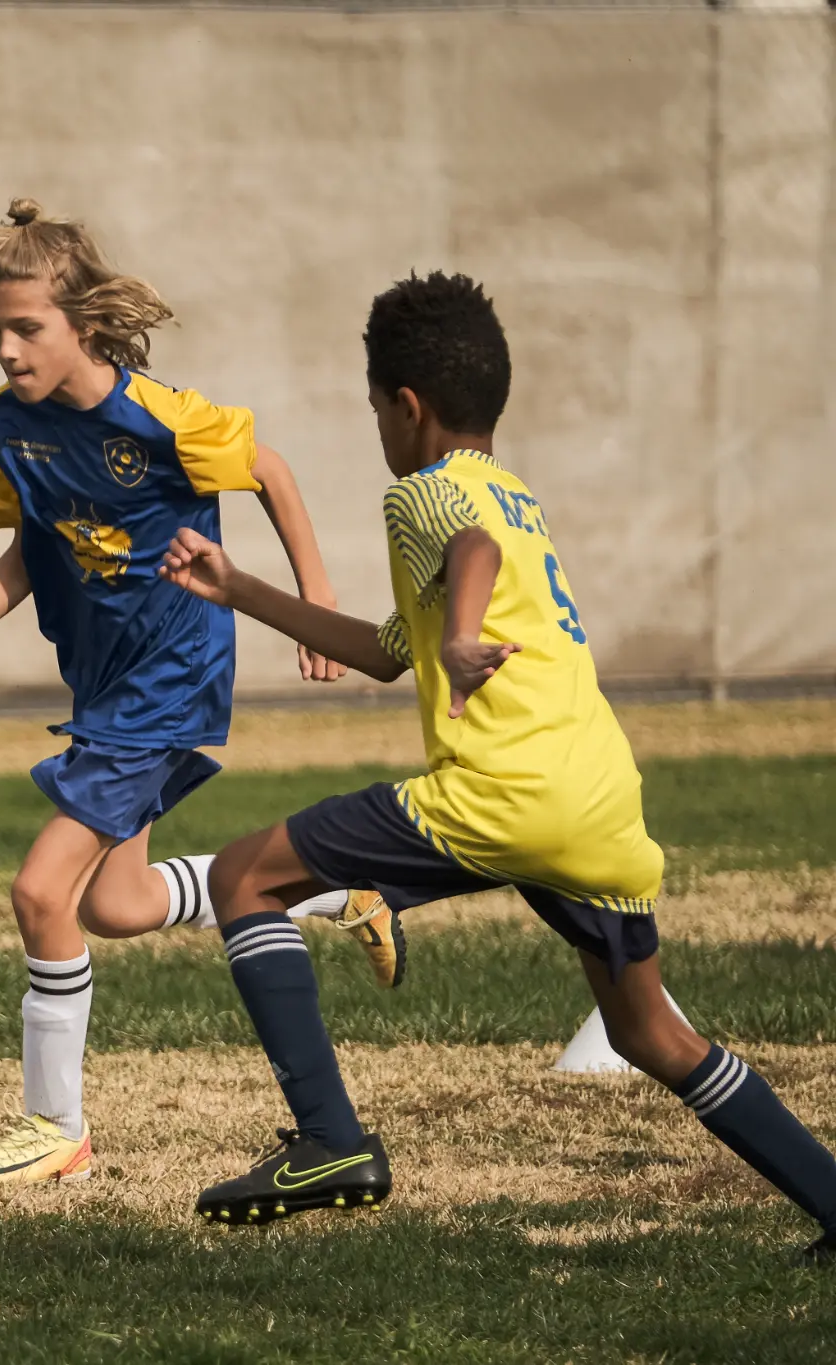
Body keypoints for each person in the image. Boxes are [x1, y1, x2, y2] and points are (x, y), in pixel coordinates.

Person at [161, 270, 836, 1262]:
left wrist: (465, 639)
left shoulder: (425, 494)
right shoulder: (513, 495)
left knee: (240, 875)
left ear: (405, 406)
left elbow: (463, 554)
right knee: (650, 1035)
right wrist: (241, 588)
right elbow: (392, 648)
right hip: (596, 795)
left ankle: (329, 1142)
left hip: (502, 792)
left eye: (371, 411)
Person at [0, 199, 398, 1187]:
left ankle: (56, 1129)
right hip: (101, 688)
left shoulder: (159, 417)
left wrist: (317, 598)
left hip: (167, 682)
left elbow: (268, 470)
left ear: (84, 323)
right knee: (118, 906)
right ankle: (328, 889)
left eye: (25, 328)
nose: (6, 350)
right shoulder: (6, 428)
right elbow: (28, 551)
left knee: (37, 890)